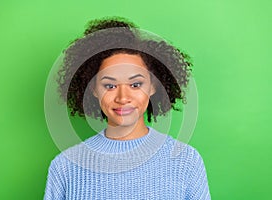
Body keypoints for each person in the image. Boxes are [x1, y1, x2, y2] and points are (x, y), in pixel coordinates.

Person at [44, 17, 211, 199]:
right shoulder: (65, 166)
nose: (123, 98)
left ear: (153, 86)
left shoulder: (186, 161)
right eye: (110, 86)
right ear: (93, 89)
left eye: (135, 84)